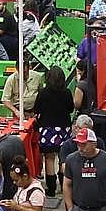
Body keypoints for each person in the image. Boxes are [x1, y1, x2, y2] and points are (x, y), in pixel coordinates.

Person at [34, 66, 74, 197]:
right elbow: (70, 109)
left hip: (47, 129)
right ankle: (64, 185)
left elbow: (37, 109)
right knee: (63, 158)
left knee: (49, 158)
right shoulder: (67, 92)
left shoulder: (43, 93)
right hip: (64, 129)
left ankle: (51, 188)